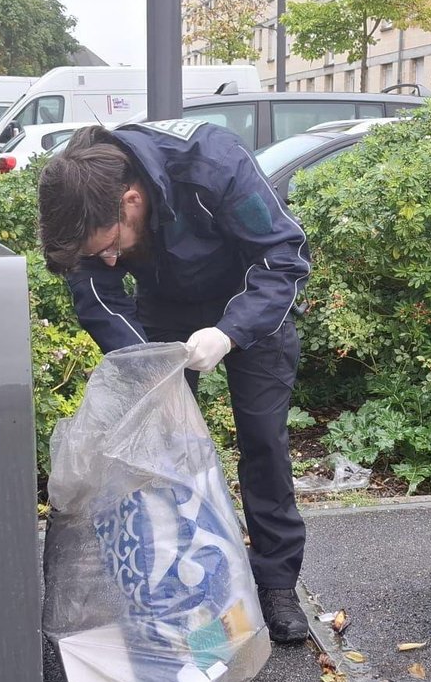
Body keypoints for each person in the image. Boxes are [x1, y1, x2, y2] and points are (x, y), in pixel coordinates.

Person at [37, 119, 312, 644]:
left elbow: (283, 257)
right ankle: (184, 584)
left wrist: (229, 332)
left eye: (112, 247)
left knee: (264, 442)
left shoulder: (213, 163)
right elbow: (97, 297)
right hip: (165, 310)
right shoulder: (78, 192)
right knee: (161, 444)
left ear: (132, 201)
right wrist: (147, 367)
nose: (110, 260)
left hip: (252, 304)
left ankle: (277, 584)